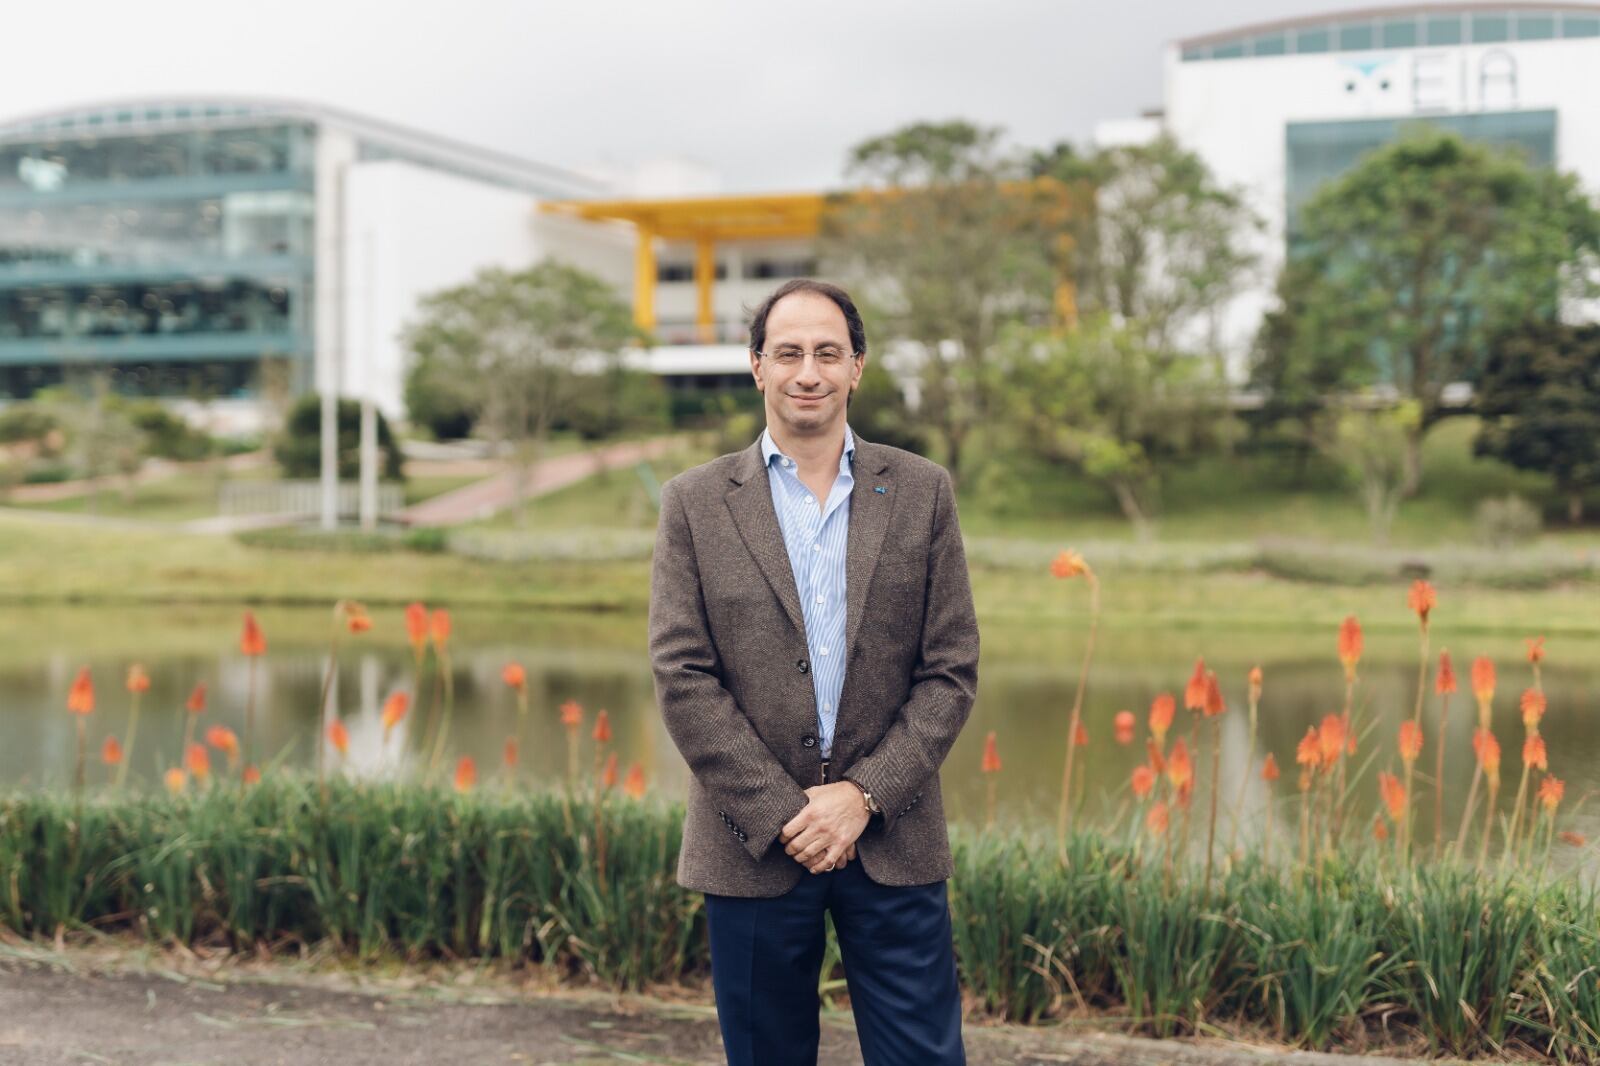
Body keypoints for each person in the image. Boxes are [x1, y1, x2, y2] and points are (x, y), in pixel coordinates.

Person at [647, 277, 979, 1065]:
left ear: (857, 367)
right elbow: (682, 674)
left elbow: (951, 670)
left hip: (892, 837)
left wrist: (863, 797)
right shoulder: (692, 503)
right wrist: (789, 812)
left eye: (827, 353)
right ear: (756, 365)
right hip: (753, 845)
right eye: (788, 352)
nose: (808, 372)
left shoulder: (923, 491)